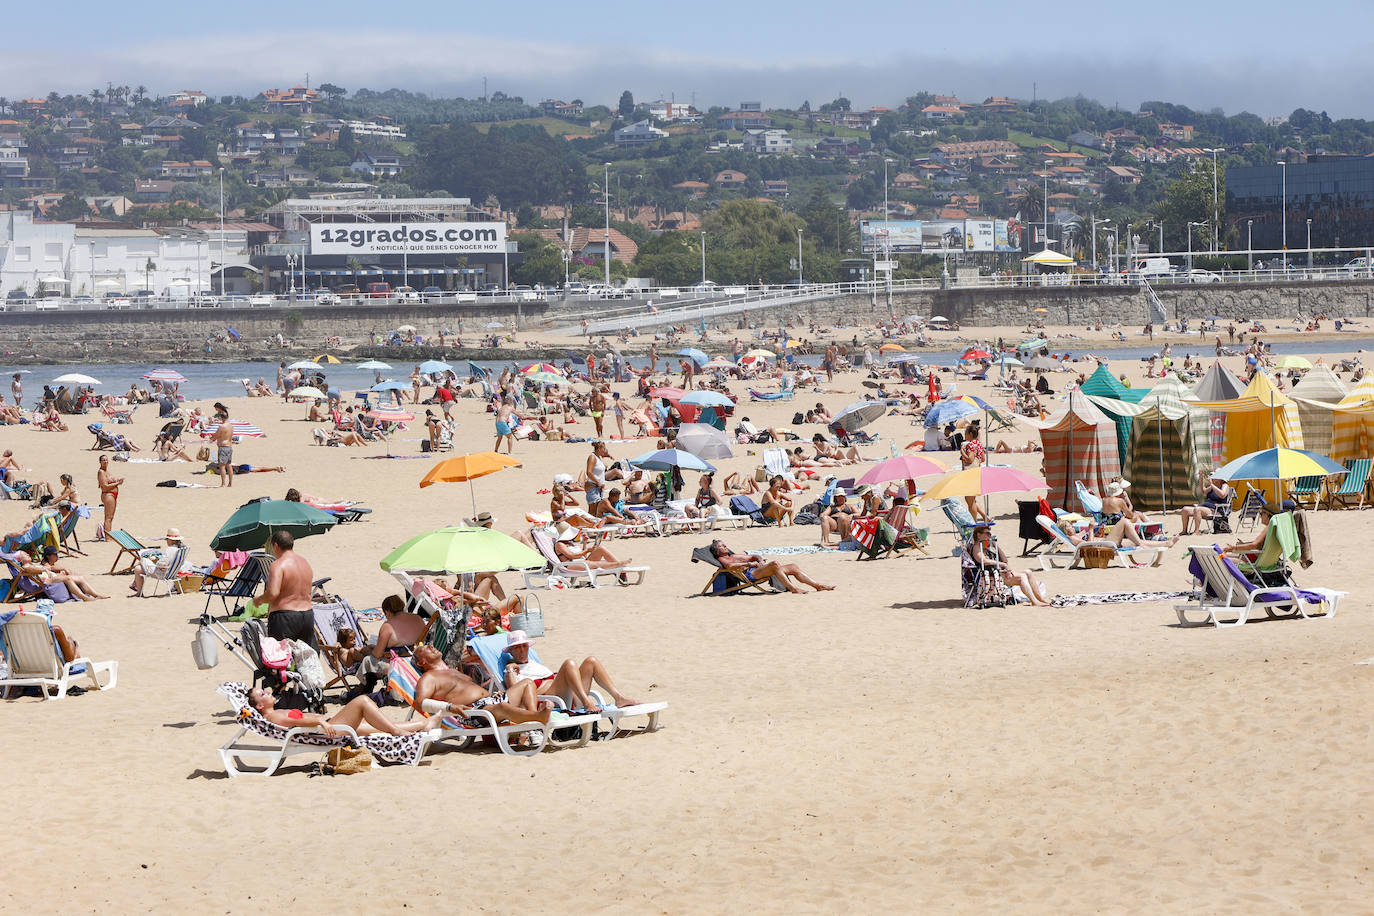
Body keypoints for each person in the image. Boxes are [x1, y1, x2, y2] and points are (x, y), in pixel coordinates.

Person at [500, 630, 640, 713]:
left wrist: (550, 681)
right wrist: (509, 669)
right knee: (569, 664)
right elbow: (516, 694)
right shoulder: (512, 669)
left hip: (570, 696)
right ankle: (586, 703)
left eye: (524, 646)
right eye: (517, 647)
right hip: (553, 702)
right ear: (511, 650)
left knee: (591, 661)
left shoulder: (534, 664)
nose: (523, 650)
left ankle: (619, 698)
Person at [411, 645, 550, 725]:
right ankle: (538, 718)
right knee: (502, 707)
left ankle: (534, 724)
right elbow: (420, 703)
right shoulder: (428, 677)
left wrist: (494, 694)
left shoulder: (452, 671)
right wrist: (450, 707)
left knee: (527, 683)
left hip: (490, 701)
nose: (431, 646)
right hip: (473, 712)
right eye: (425, 649)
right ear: (421, 662)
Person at [247, 685, 440, 736]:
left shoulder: (272, 710)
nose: (266, 692)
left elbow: (269, 694)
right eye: (262, 694)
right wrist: (319, 721)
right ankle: (398, 732)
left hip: (327, 726)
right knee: (362, 701)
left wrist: (255, 694)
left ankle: (424, 724)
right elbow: (296, 722)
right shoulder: (273, 715)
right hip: (326, 730)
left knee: (379, 727)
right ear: (260, 706)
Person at [260, 530, 317, 651]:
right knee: (305, 659)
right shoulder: (304, 562)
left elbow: (273, 593)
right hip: (307, 615)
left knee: (281, 659)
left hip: (285, 616)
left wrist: (258, 600)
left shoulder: (278, 564)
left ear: (275, 546)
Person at [968, 525, 1052, 606]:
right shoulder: (977, 547)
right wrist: (1003, 565)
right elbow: (983, 561)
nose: (990, 536)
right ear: (979, 535)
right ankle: (1034, 601)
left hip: (999, 573)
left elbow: (1005, 559)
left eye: (990, 534)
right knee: (1022, 577)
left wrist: (995, 546)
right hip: (992, 577)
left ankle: (1040, 599)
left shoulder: (985, 547)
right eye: (987, 533)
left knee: (1028, 572)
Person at [707, 540, 833, 593]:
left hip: (757, 568)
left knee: (793, 567)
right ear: (717, 551)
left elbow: (753, 556)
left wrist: (760, 560)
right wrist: (750, 564)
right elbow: (730, 566)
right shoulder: (723, 558)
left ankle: (818, 586)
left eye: (724, 545)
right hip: (750, 574)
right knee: (774, 564)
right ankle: (793, 589)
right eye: (722, 546)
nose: (725, 546)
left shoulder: (733, 554)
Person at [26, 546, 108, 600]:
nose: (57, 556)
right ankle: (83, 597)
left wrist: (63, 571)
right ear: (48, 556)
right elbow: (49, 572)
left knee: (81, 578)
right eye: (55, 554)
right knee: (69, 577)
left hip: (57, 579)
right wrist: (63, 571)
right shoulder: (45, 565)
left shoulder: (53, 564)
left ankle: (96, 595)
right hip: (50, 582)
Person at [129, 528, 191, 596]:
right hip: (173, 573)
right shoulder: (182, 549)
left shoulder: (170, 550)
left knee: (143, 559)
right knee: (138, 568)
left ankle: (135, 586)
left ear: (171, 540)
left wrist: (156, 562)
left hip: (162, 574)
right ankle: (138, 591)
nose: (166, 541)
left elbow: (162, 564)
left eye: (167, 539)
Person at [552, 523, 632, 570]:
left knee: (600, 549)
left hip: (581, 562)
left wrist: (584, 543)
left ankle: (619, 566)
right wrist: (587, 550)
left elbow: (582, 555)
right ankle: (617, 565)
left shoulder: (569, 542)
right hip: (570, 566)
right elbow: (571, 556)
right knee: (595, 564)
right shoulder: (559, 544)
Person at [95, 454, 122, 538]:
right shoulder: (101, 472)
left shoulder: (107, 471)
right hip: (108, 495)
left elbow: (110, 482)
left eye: (106, 460)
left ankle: (108, 535)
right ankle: (108, 537)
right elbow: (105, 486)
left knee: (111, 517)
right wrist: (118, 483)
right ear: (100, 462)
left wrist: (117, 480)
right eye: (103, 460)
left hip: (112, 495)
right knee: (108, 517)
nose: (105, 461)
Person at [212, 409, 235, 487]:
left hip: (223, 447)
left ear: (222, 418)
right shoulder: (231, 426)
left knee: (222, 466)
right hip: (229, 446)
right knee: (229, 465)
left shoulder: (222, 426)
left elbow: (216, 436)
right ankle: (230, 483)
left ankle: (223, 483)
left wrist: (211, 438)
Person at [585, 440, 610, 507]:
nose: (605, 450)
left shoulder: (598, 457)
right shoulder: (592, 457)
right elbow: (588, 472)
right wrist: (598, 482)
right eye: (604, 449)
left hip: (598, 487)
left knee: (597, 509)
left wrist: (608, 455)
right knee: (593, 510)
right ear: (599, 449)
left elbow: (605, 454)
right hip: (593, 486)